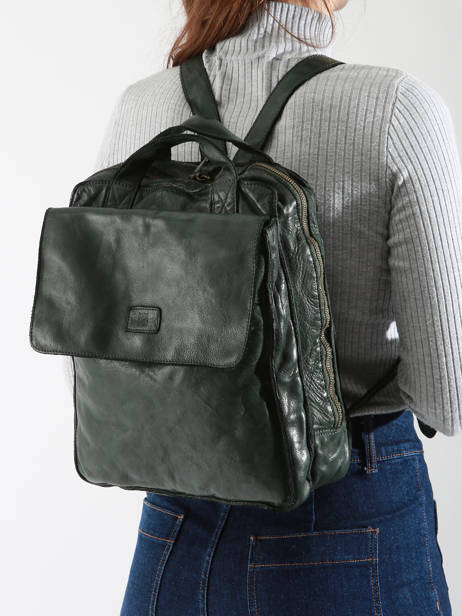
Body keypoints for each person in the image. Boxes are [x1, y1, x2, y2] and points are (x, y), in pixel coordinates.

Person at [87, 1, 462, 614]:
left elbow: (101, 356)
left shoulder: (140, 107)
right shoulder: (397, 109)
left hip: (174, 527)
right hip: (343, 513)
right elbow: (447, 396)